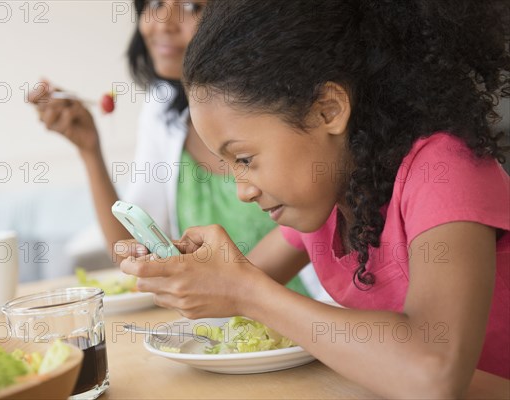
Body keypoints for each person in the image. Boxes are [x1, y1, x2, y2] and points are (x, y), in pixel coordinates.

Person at [115, 0, 510, 397]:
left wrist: (245, 292)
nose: (243, 190)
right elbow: (240, 278)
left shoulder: (443, 170)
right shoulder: (331, 199)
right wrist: (181, 268)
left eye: (246, 159)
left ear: (328, 110)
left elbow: (435, 374)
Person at [29, 0, 325, 298]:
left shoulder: (287, 111)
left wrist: (211, 278)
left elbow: (245, 282)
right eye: (156, 3)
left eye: (191, 6)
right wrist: (89, 149)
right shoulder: (161, 112)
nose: (163, 22)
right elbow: (132, 247)